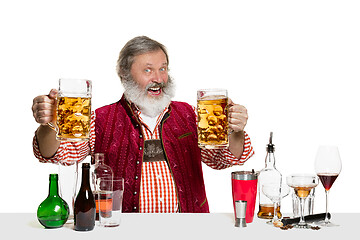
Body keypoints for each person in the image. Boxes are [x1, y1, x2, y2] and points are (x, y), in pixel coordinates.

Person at [32, 36, 254, 213]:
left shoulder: (191, 114)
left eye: (163, 68)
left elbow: (222, 159)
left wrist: (236, 131)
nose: (158, 78)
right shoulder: (99, 118)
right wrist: (48, 124)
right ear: (124, 74)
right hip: (121, 230)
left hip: (188, 228)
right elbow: (62, 155)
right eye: (148, 70)